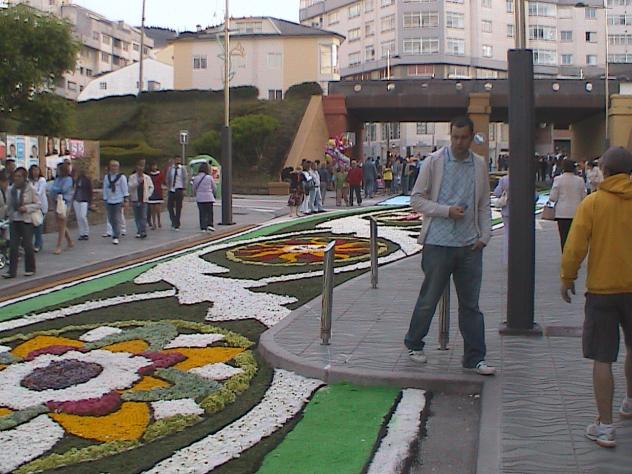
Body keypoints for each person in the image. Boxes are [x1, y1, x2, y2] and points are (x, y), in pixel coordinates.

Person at [405, 116, 495, 376]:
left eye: (464, 138)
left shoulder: (478, 164)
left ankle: (475, 357)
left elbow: (484, 204)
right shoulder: (434, 162)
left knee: (470, 305)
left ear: (471, 138)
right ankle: (414, 343)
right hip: (438, 242)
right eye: (455, 137)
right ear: (450, 135)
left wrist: (485, 236)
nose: (459, 142)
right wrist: (446, 211)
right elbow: (416, 200)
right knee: (429, 298)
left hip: (469, 245)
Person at [560, 146, 632, 449]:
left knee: (603, 358)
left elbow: (575, 246)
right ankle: (630, 401)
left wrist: (567, 277)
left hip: (603, 291)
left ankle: (605, 426)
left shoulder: (593, 203)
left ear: (605, 170)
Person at [3, 167, 40, 278]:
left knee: (27, 245)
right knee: (13, 246)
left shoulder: (30, 189)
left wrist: (27, 208)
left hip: (26, 220)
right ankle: (11, 271)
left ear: (24, 178)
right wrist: (6, 213)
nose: (17, 178)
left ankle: (30, 268)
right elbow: (8, 205)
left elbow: (38, 204)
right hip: (14, 220)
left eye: (19, 176)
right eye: (15, 176)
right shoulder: (11, 189)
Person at [549, 159, 586, 250]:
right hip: (576, 212)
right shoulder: (580, 180)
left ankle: (565, 255)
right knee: (575, 238)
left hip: (562, 213)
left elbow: (553, 197)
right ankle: (574, 255)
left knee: (564, 237)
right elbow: (584, 197)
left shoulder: (558, 179)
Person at [49, 162, 74, 255]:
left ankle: (59, 246)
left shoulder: (68, 179)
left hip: (64, 203)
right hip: (56, 202)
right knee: (60, 223)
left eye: (59, 170)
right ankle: (70, 241)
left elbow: (63, 189)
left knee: (62, 223)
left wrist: (54, 188)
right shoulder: (57, 179)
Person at [103, 160, 129, 245]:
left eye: (116, 166)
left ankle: (116, 236)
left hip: (118, 200)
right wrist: (105, 199)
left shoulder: (121, 177)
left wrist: (125, 199)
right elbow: (105, 189)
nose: (114, 168)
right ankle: (115, 230)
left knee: (116, 218)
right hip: (110, 200)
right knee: (111, 218)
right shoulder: (107, 177)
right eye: (112, 166)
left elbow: (124, 189)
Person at [128, 160, 154, 239]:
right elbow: (129, 187)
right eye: (139, 167)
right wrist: (137, 182)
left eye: (142, 167)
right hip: (135, 199)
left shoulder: (147, 177)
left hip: (144, 199)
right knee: (137, 217)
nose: (140, 169)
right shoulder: (132, 177)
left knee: (144, 216)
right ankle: (139, 230)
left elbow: (151, 187)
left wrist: (148, 195)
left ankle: (143, 231)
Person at [28, 165, 48, 252]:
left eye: (37, 170)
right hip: (32, 206)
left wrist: (31, 195)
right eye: (34, 170)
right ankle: (36, 243)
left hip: (41, 205)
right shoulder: (29, 181)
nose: (35, 172)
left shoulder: (42, 180)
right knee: (32, 225)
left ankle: (38, 244)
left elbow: (39, 193)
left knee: (38, 225)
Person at [192, 162, 216, 231]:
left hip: (200, 198)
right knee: (209, 212)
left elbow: (194, 188)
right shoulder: (209, 177)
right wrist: (213, 193)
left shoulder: (196, 178)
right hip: (209, 197)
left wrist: (195, 194)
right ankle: (210, 224)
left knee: (202, 213)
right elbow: (214, 187)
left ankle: (203, 227)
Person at [166, 157, 187, 230]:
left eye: (179, 160)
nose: (177, 161)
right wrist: (168, 187)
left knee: (178, 207)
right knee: (169, 206)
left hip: (179, 188)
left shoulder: (182, 169)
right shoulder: (170, 169)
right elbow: (167, 178)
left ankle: (177, 223)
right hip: (172, 189)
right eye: (176, 160)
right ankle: (173, 220)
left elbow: (185, 179)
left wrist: (184, 188)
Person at [493, 173, 510, 266]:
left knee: (507, 234)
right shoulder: (525, 178)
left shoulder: (504, 179)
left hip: (507, 211)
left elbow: (497, 193)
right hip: (522, 212)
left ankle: (507, 259)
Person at [72, 165, 92, 241]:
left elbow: (90, 191)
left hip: (84, 199)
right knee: (78, 217)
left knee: (83, 216)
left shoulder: (87, 180)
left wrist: (90, 201)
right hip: (76, 199)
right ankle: (81, 233)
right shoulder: (75, 180)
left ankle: (86, 232)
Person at [147, 162, 164, 230]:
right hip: (151, 192)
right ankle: (154, 223)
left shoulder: (160, 174)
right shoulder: (149, 175)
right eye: (153, 166)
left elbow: (162, 181)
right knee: (152, 209)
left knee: (157, 208)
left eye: (155, 166)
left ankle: (159, 221)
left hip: (158, 191)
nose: (154, 167)